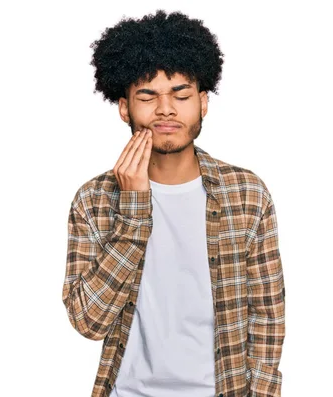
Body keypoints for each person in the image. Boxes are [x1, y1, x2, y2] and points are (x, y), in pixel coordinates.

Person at [62, 9, 285, 397]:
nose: (166, 109)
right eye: (147, 96)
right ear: (124, 107)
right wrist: (132, 210)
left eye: (180, 94)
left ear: (202, 102)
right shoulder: (93, 200)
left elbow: (267, 318)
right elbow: (88, 321)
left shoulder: (247, 194)